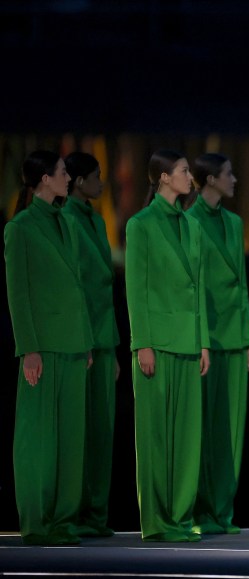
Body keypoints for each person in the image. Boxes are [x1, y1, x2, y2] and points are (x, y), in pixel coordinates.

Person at [5, 151, 92, 545]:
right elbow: (18, 295)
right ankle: (37, 520)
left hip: (74, 342)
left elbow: (78, 286)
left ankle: (63, 519)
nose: (68, 178)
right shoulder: (21, 228)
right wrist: (30, 348)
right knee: (39, 437)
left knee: (71, 438)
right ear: (43, 179)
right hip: (44, 346)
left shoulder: (67, 222)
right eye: (61, 173)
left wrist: (87, 339)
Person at [126, 150, 210, 542]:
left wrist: (204, 342)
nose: (190, 177)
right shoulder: (140, 225)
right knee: (156, 436)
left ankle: (180, 516)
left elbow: (199, 289)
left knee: (186, 436)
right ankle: (157, 519)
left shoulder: (192, 225)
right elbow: (136, 289)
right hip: (157, 343)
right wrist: (142, 342)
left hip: (189, 342)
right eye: (183, 171)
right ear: (163, 178)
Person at [186, 153, 249, 534]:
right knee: (205, 427)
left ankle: (222, 511)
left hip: (233, 335)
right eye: (228, 174)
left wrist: (248, 337)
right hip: (206, 338)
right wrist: (200, 340)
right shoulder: (190, 220)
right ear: (210, 179)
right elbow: (192, 286)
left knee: (230, 430)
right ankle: (199, 511)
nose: (234, 180)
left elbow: (242, 285)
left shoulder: (233, 221)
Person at [63, 151, 120, 537]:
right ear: (79, 182)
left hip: (103, 337)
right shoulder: (65, 219)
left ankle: (96, 514)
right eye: (96, 177)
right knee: (78, 430)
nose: (102, 183)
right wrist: (82, 340)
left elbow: (105, 286)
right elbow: (74, 286)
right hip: (81, 338)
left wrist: (112, 346)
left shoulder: (97, 221)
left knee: (102, 429)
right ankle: (75, 512)